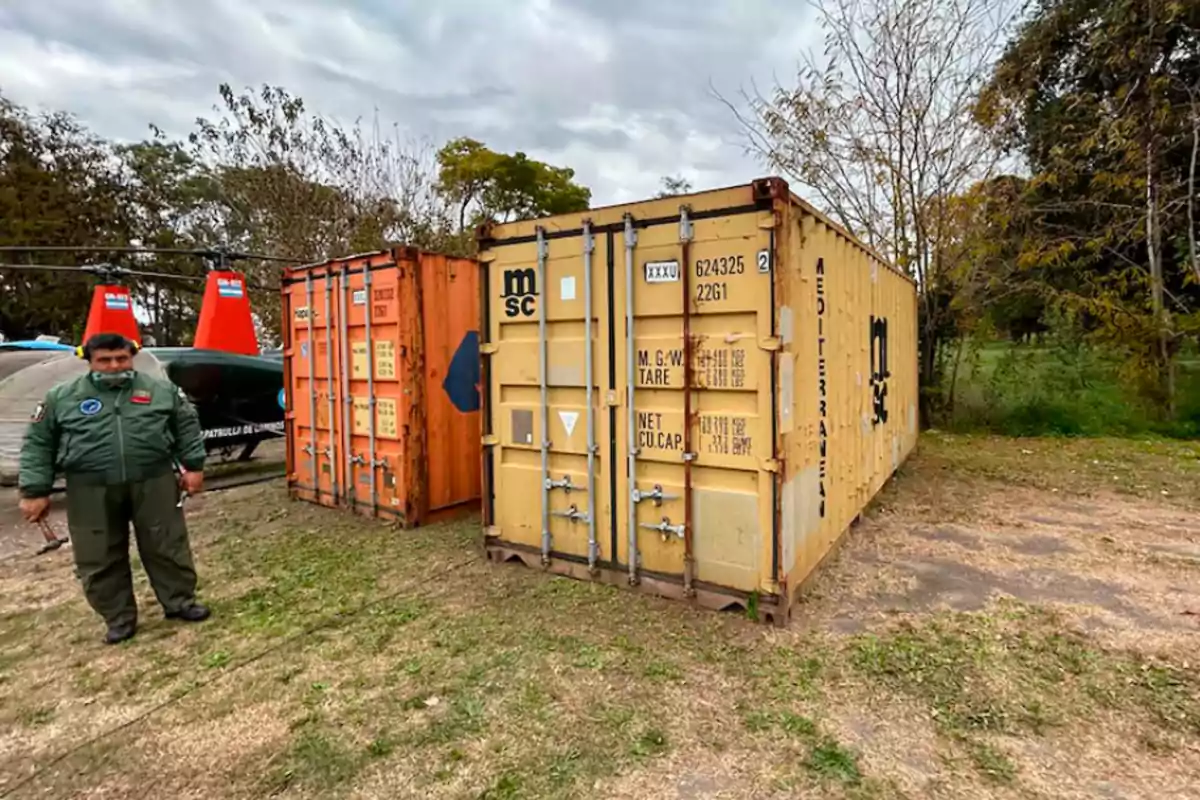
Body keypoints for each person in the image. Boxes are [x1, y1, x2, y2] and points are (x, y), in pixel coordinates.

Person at [17, 332, 211, 644]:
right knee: (99, 553)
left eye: (121, 358)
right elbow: (39, 445)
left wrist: (194, 467)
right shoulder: (62, 397)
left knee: (166, 542)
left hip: (153, 479)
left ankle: (180, 602)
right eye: (104, 360)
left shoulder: (161, 390)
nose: (114, 366)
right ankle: (118, 617)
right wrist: (34, 490)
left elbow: (186, 427)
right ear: (89, 362)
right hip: (89, 486)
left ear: (131, 357)